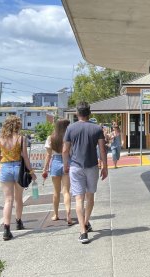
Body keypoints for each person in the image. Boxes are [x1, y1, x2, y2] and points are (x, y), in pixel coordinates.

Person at [63, 102, 108, 244]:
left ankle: (82, 231)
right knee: (90, 197)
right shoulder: (97, 128)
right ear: (89, 113)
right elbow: (102, 150)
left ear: (77, 113)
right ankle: (86, 222)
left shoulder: (70, 128)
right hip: (92, 166)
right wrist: (105, 166)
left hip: (76, 166)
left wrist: (66, 165)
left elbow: (65, 150)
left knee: (79, 199)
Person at [0, 115, 36, 241]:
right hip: (18, 168)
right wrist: (31, 171)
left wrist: (0, 162)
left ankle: (6, 228)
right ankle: (18, 221)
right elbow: (25, 157)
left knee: (8, 200)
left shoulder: (0, 140)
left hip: (5, 169)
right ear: (17, 125)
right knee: (18, 198)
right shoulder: (20, 139)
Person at [42, 119, 73, 225]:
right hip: (67, 161)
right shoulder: (69, 137)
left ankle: (56, 214)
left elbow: (48, 155)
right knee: (66, 191)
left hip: (55, 162)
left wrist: (45, 168)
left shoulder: (50, 138)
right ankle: (68, 214)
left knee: (56, 191)